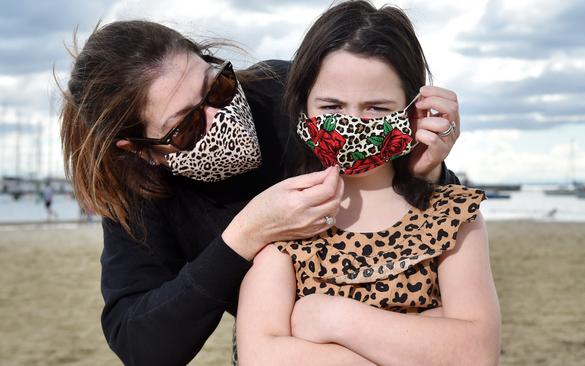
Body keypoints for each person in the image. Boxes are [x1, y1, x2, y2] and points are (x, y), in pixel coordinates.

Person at [59, 19, 462, 365]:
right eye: (187, 125)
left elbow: (436, 212)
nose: (221, 116)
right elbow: (140, 343)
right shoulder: (138, 193)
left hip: (405, 321)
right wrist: (246, 234)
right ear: (141, 151)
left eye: (216, 87)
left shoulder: (289, 92)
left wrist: (427, 171)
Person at [235, 1, 501, 365]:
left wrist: (325, 318)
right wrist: (420, 344)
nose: (353, 122)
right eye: (331, 107)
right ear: (303, 108)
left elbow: (476, 355)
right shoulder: (285, 220)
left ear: (412, 110)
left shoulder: (452, 215)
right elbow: (260, 357)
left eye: (376, 108)